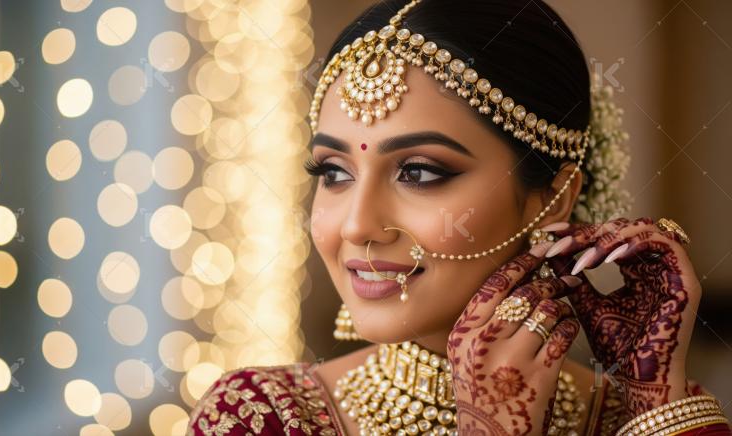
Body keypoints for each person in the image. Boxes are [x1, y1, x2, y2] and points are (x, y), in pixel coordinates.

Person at [186, 0, 731, 434]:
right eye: (333, 172)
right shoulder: (261, 417)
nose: (355, 226)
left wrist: (653, 398)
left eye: (419, 173)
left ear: (554, 198)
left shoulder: (640, 417)